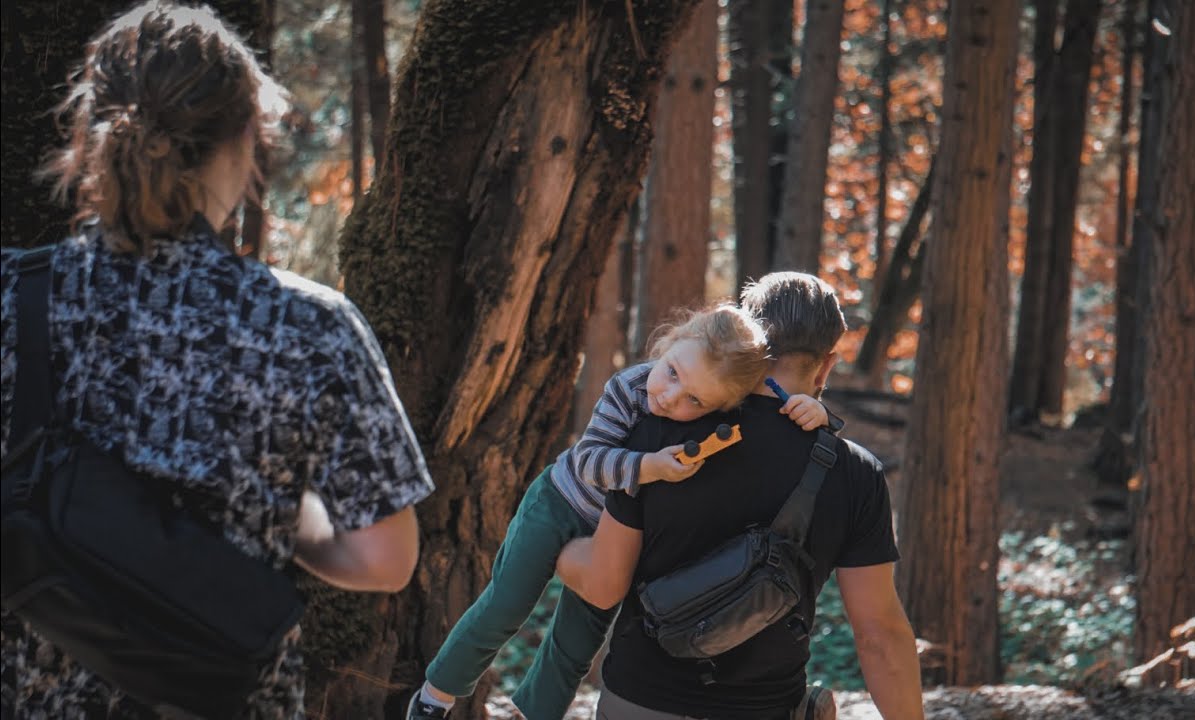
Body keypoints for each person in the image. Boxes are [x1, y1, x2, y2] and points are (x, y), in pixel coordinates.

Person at [0, 2, 434, 717]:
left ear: (89, 136)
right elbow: (385, 558)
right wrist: (274, 505)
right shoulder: (308, 326)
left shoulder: (15, 299)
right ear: (245, 139)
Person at [407, 303, 836, 719]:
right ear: (671, 342)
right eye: (671, 373)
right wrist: (649, 467)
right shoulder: (629, 388)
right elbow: (589, 460)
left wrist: (814, 408)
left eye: (694, 401)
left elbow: (773, 406)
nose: (670, 398)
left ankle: (536, 712)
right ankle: (434, 696)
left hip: (617, 536)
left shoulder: (717, 405)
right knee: (506, 605)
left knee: (577, 641)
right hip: (561, 503)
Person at [557, 272, 925, 720]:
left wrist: (555, 543)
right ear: (827, 364)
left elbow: (602, 584)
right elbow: (879, 635)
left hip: (639, 703)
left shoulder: (657, 434)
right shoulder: (855, 472)